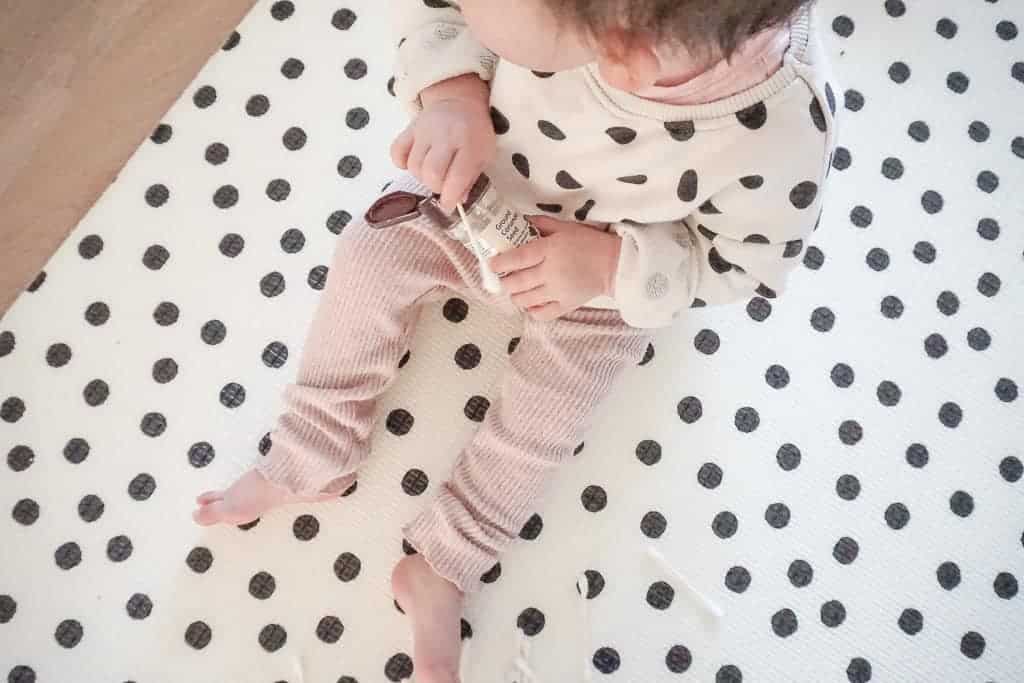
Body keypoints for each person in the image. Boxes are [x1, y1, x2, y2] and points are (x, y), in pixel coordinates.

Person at [194, 0, 836, 680]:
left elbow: (744, 266)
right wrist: (449, 94)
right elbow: (438, 10)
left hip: (601, 271)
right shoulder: (578, 19)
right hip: (473, 191)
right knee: (370, 253)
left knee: (554, 404)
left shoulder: (784, 127)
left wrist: (609, 265)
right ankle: (314, 449)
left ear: (620, 57)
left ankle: (445, 560)